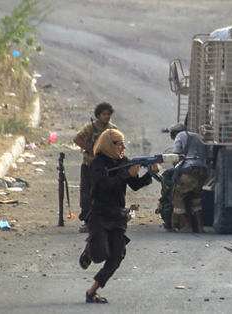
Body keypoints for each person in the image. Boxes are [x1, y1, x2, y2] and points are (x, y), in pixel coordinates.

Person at [78, 129, 159, 303]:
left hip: (117, 216)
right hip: (99, 214)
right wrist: (126, 174)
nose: (123, 147)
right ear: (110, 144)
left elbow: (135, 184)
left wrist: (149, 173)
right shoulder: (98, 163)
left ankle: (92, 292)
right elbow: (105, 184)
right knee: (101, 253)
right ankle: (90, 252)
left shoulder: (124, 161)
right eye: (119, 143)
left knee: (117, 256)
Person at [73, 102, 118, 233]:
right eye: (104, 114)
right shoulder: (91, 127)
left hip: (106, 168)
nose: (106, 117)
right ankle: (88, 222)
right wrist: (90, 149)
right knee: (87, 194)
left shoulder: (112, 129)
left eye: (108, 114)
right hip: (89, 165)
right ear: (98, 115)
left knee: (104, 195)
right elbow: (77, 139)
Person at [169, 123, 213, 233]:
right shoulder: (200, 137)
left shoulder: (180, 136)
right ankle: (200, 227)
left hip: (189, 171)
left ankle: (187, 226)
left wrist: (177, 172)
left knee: (177, 197)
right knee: (196, 200)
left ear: (174, 133)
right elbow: (210, 158)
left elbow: (176, 157)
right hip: (201, 173)